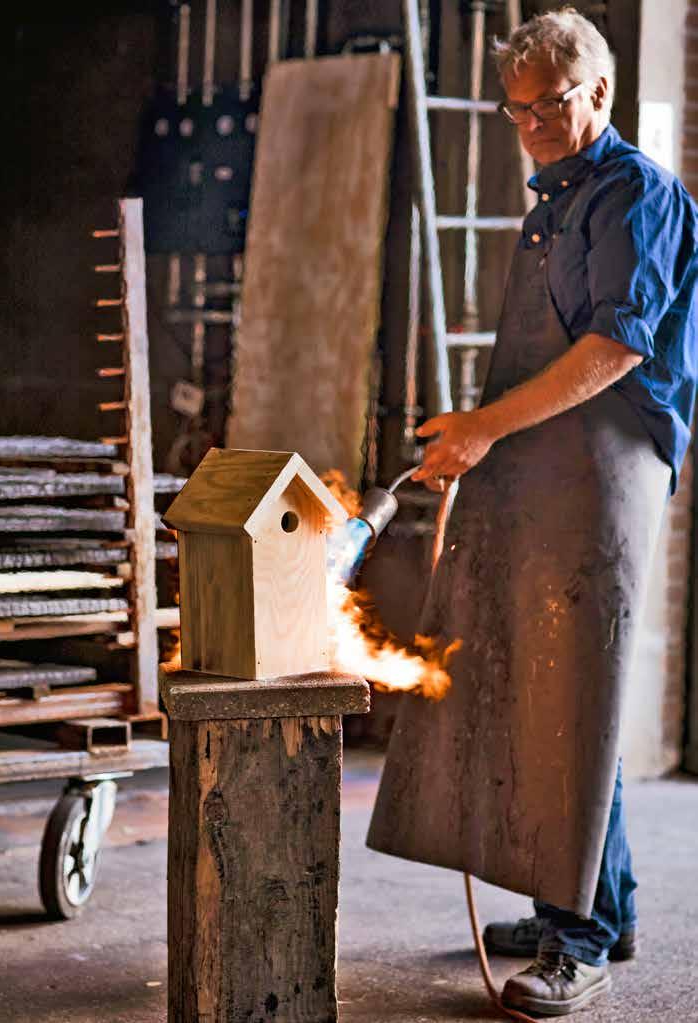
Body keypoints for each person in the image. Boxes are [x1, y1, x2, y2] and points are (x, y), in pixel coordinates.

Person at [366, 7, 698, 1017]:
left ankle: (576, 943)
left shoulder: (632, 194)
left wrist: (484, 427)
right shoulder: (553, 195)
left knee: (578, 691)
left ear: (596, 91)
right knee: (559, 697)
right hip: (547, 456)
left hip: (606, 464)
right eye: (514, 113)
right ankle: (607, 904)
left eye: (547, 107)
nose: (530, 127)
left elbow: (613, 352)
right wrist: (489, 437)